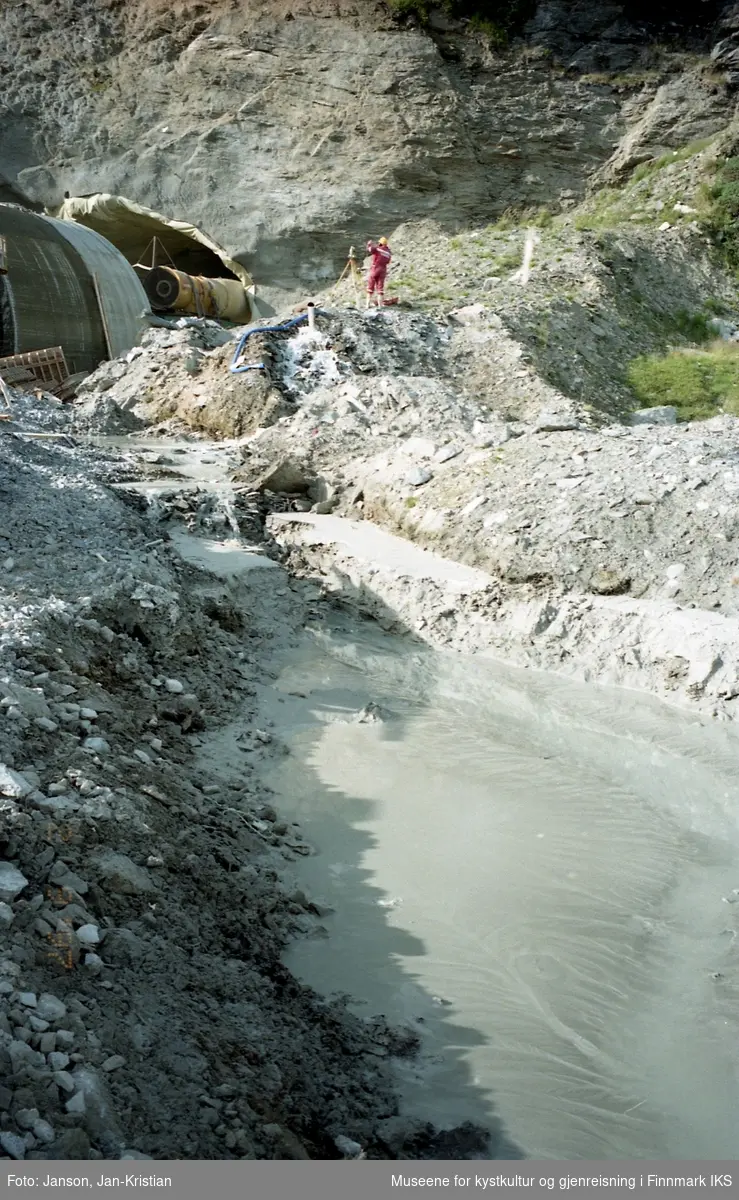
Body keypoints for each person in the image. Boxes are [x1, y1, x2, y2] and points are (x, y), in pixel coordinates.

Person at [365, 237, 391, 308]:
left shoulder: (378, 249)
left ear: (380, 243)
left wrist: (369, 244)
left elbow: (370, 249)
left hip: (375, 268)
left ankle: (367, 305)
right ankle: (380, 306)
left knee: (370, 286)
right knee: (380, 288)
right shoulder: (388, 252)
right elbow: (388, 261)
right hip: (383, 270)